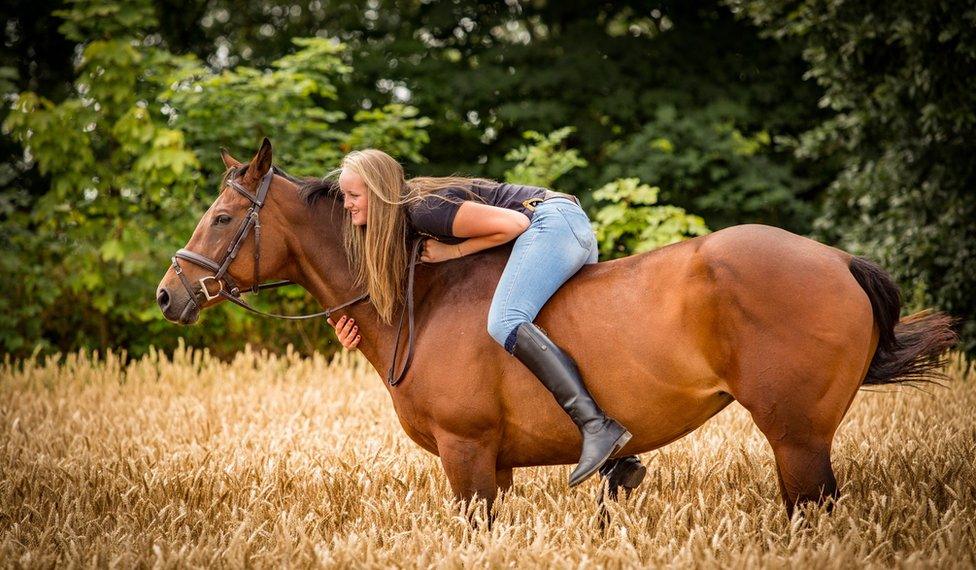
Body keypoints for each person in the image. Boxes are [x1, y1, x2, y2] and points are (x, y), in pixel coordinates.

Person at [325, 148, 631, 487]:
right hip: (560, 224)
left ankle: (597, 427)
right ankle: (619, 456)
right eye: (344, 196)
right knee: (553, 332)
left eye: (354, 195)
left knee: (505, 321)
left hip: (553, 222)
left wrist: (450, 251)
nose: (347, 204)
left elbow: (514, 223)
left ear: (379, 191)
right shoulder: (400, 222)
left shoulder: (424, 207)